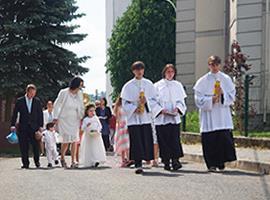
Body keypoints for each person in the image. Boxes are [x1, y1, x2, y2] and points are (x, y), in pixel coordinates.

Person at [193, 55, 237, 172]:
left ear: (220, 65)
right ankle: (211, 164)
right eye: (212, 64)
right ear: (209, 65)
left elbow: (232, 96)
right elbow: (198, 99)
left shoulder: (226, 79)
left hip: (222, 115)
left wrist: (223, 95)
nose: (214, 67)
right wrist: (210, 100)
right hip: (209, 115)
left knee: (222, 140)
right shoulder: (202, 81)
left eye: (217, 64)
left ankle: (221, 162)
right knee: (210, 141)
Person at [120, 61, 160, 174]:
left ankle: (146, 159)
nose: (139, 71)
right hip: (134, 118)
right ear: (133, 71)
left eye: (141, 69)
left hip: (145, 117)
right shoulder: (128, 86)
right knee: (136, 140)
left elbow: (155, 99)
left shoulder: (149, 84)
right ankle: (138, 163)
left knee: (146, 139)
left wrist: (146, 102)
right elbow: (125, 103)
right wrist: (134, 108)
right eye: (137, 69)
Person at [154, 64, 187, 171]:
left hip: (173, 118)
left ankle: (175, 160)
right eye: (168, 71)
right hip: (162, 118)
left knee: (175, 140)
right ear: (164, 72)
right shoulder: (157, 86)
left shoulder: (178, 85)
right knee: (163, 140)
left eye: (172, 72)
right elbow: (152, 102)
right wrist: (160, 110)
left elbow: (181, 101)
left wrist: (177, 108)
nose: (170, 74)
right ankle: (166, 161)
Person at [53, 77, 85, 168]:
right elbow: (57, 104)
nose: (81, 87)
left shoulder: (80, 94)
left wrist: (81, 116)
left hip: (75, 119)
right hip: (64, 119)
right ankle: (62, 157)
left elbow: (81, 106)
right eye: (80, 85)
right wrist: (56, 117)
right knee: (66, 140)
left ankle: (73, 161)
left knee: (75, 140)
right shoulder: (64, 92)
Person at [10, 84, 43, 169]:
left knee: (35, 145)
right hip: (23, 127)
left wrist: (40, 126)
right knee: (23, 146)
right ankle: (25, 163)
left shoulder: (37, 101)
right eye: (31, 93)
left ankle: (37, 161)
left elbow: (40, 114)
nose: (33, 95)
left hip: (34, 127)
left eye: (34, 93)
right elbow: (15, 113)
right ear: (27, 92)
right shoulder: (20, 101)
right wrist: (13, 125)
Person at [114, 97, 131, 167]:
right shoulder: (119, 107)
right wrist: (119, 125)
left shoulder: (128, 106)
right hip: (122, 126)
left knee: (128, 144)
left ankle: (129, 159)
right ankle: (123, 160)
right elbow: (118, 118)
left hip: (128, 124)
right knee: (122, 144)